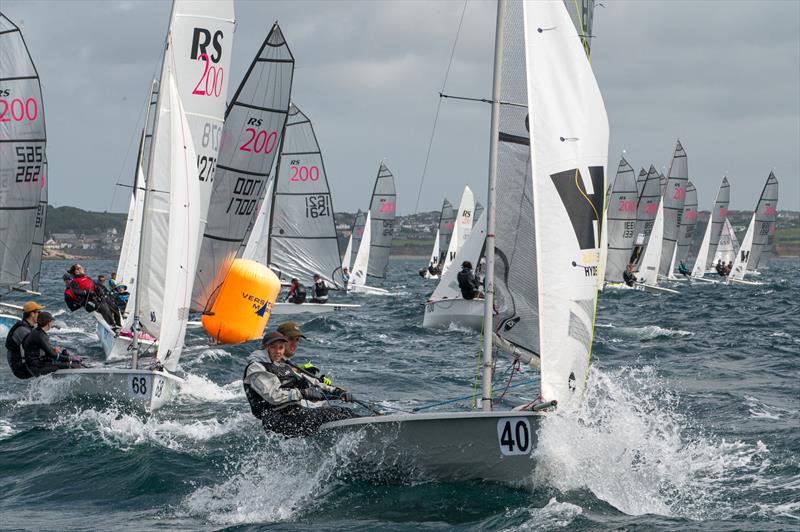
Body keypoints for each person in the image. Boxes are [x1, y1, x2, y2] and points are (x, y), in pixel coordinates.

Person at [242, 332, 359, 437]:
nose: (278, 351)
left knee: (343, 411)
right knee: (338, 414)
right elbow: (273, 396)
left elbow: (313, 382)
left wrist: (337, 391)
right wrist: (303, 393)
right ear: (265, 348)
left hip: (294, 413)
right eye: (273, 348)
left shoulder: (284, 365)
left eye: (281, 347)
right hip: (276, 420)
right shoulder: (256, 368)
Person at [22, 311, 82, 376]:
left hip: (36, 364)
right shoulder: (40, 335)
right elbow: (52, 355)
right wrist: (69, 358)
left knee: (65, 361)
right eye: (52, 321)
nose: (52, 323)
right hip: (37, 367)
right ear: (48, 322)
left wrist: (54, 351)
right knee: (73, 365)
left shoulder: (37, 332)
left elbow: (40, 350)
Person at [64, 264, 121, 328]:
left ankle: (119, 325)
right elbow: (76, 292)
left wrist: (100, 290)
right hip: (87, 302)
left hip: (96, 298)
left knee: (114, 306)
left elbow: (96, 286)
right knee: (104, 308)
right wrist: (88, 292)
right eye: (80, 268)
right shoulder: (74, 282)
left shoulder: (87, 278)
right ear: (76, 271)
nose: (83, 268)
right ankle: (113, 327)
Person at [277, 321, 333, 386]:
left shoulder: (285, 361)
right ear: (279, 339)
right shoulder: (270, 360)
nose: (294, 344)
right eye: (291, 339)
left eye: (297, 339)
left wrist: (300, 370)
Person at [4, 301, 45, 379]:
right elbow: (36, 347)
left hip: (25, 362)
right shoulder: (22, 329)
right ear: (32, 314)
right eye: (38, 312)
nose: (40, 314)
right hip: (20, 367)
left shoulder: (28, 328)